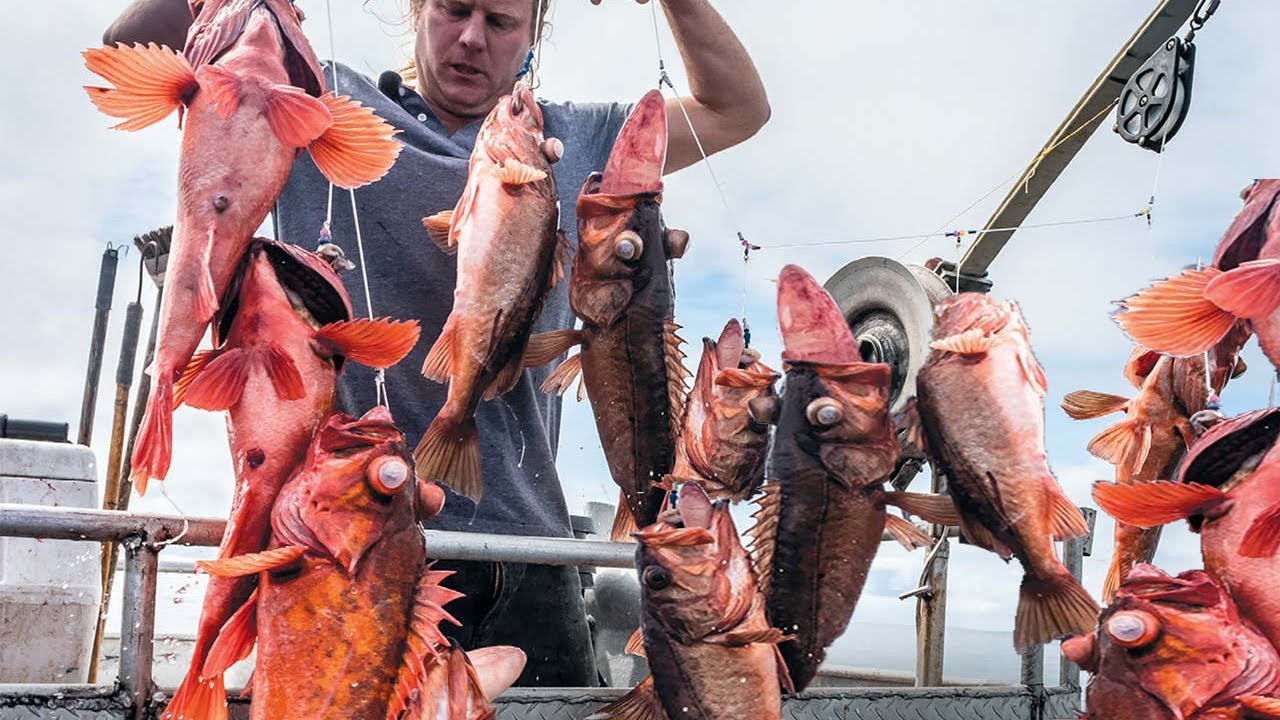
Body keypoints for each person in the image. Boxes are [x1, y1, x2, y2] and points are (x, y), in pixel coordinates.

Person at [103, 0, 768, 687]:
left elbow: (737, 109)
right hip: (351, 539)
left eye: (501, 21)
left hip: (531, 553)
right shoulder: (312, 96)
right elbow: (130, 40)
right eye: (453, 10)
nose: (472, 39)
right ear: (416, 10)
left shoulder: (574, 138)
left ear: (534, 32)